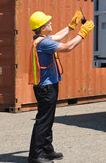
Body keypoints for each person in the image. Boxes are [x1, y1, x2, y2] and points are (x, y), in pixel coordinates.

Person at [27, 11, 94, 163]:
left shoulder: (41, 39)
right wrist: (82, 33)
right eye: (48, 22)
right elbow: (67, 47)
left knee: (48, 119)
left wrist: (71, 26)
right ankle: (36, 155)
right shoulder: (43, 43)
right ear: (42, 28)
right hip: (46, 87)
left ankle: (47, 150)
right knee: (43, 120)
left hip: (48, 85)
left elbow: (57, 37)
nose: (50, 23)